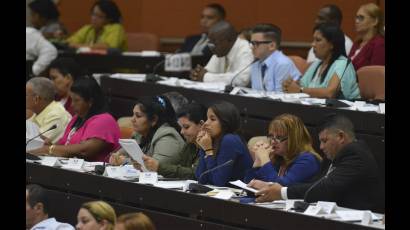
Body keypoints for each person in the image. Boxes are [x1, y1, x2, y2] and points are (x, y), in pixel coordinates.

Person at [249, 114, 384, 212]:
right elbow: (314, 184)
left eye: (324, 141)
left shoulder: (356, 155)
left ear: (341, 137)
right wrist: (258, 162)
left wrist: (282, 191)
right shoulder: (336, 155)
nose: (321, 147)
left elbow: (324, 188)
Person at [29, 76, 121, 162]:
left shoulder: (104, 120)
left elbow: (85, 150)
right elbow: (64, 145)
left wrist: (50, 149)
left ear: (90, 101)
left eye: (76, 100)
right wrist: (50, 145)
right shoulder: (77, 118)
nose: (72, 105)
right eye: (71, 99)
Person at [282, 23, 360, 100]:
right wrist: (289, 86)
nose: (313, 44)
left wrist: (300, 90)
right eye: (313, 40)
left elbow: (330, 93)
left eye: (318, 40)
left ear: (332, 44)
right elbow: (301, 85)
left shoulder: (342, 63)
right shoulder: (316, 65)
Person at [244, 114, 322, 186]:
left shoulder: (308, 160)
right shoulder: (278, 157)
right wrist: (257, 162)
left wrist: (265, 160)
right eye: (271, 136)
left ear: (294, 139)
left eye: (279, 137)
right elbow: (248, 185)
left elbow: (280, 188)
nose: (273, 141)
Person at [110, 96, 185, 165]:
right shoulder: (139, 134)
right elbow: (120, 154)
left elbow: (155, 167)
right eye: (133, 115)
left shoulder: (168, 137)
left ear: (154, 120)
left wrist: (124, 161)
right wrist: (115, 157)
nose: (132, 120)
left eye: (138, 116)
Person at [195, 101, 253, 186]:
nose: (206, 123)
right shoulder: (214, 139)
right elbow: (200, 177)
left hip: (238, 195)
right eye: (207, 118)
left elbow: (219, 181)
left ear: (225, 122)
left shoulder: (230, 140)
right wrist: (203, 147)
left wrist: (208, 150)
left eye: (212, 119)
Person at [190, 21, 254, 87]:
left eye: (215, 43)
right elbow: (207, 72)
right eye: (210, 43)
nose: (212, 48)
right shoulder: (220, 51)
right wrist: (196, 74)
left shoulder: (247, 50)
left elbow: (242, 80)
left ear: (229, 39)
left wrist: (205, 77)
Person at [250, 24, 301, 92]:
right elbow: (255, 92)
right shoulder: (256, 63)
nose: (251, 47)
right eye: (251, 43)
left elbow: (280, 96)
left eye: (256, 43)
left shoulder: (283, 64)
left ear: (272, 46)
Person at [26, 77, 72, 143]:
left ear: (36, 99)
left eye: (26, 95)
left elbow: (35, 145)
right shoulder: (39, 112)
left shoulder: (56, 115)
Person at [348, 3, 385, 70]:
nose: (356, 21)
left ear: (375, 21)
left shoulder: (380, 44)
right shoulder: (357, 43)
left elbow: (375, 74)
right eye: (356, 17)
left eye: (361, 18)